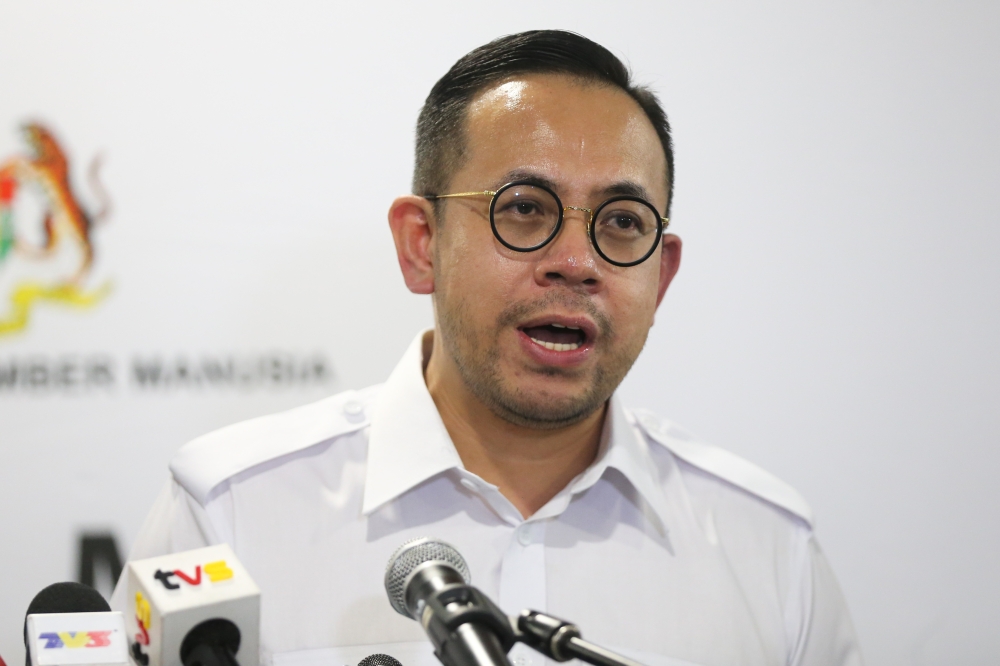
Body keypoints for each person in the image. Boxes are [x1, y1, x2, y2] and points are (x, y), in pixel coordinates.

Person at [112, 30, 863, 666]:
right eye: (526, 209)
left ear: (661, 277)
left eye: (623, 222)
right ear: (422, 244)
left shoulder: (768, 547)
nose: (577, 260)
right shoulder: (231, 514)